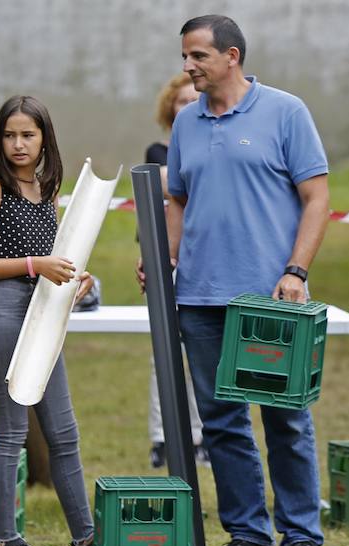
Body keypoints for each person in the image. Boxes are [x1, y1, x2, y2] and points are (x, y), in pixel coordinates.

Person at [136, 14, 330, 546]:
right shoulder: (186, 124)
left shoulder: (286, 112)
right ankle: (248, 536)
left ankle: (301, 538)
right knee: (221, 422)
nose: (188, 66)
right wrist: (164, 257)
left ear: (232, 56)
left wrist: (296, 270)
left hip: (270, 298)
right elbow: (177, 199)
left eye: (197, 56)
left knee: (285, 419)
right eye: (184, 57)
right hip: (199, 297)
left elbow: (317, 199)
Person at [0, 95, 95, 546]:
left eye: (28, 135)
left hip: (42, 316)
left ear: (44, 140)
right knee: (11, 432)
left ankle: (85, 542)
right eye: (9, 135)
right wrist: (36, 265)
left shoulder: (47, 188)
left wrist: (76, 278)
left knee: (63, 433)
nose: (18, 144)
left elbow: (53, 258)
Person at [144, 73, 208, 469]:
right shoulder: (158, 149)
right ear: (171, 108)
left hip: (201, 260)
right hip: (165, 257)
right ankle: (161, 436)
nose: (186, 107)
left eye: (193, 101)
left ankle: (199, 435)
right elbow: (166, 181)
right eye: (180, 101)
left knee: (201, 354)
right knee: (163, 353)